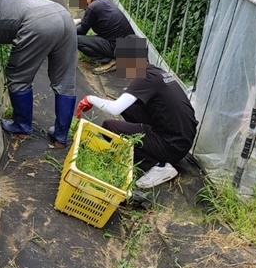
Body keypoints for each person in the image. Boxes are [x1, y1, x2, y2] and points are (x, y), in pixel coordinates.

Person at [75, 36, 198, 188]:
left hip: (172, 146)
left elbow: (115, 108)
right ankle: (148, 145)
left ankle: (157, 166)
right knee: (130, 107)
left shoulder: (144, 78)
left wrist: (90, 99)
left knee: (109, 127)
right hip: (183, 138)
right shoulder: (155, 72)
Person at [0, 0, 77, 147]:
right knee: (65, 80)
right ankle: (61, 137)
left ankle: (21, 126)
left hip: (38, 21)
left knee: (18, 76)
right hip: (63, 15)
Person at [71, 0, 135, 75]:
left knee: (76, 39)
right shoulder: (104, 1)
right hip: (132, 46)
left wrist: (66, 31)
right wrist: (81, 20)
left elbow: (82, 31)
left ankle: (111, 61)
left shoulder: (92, 7)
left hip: (119, 49)